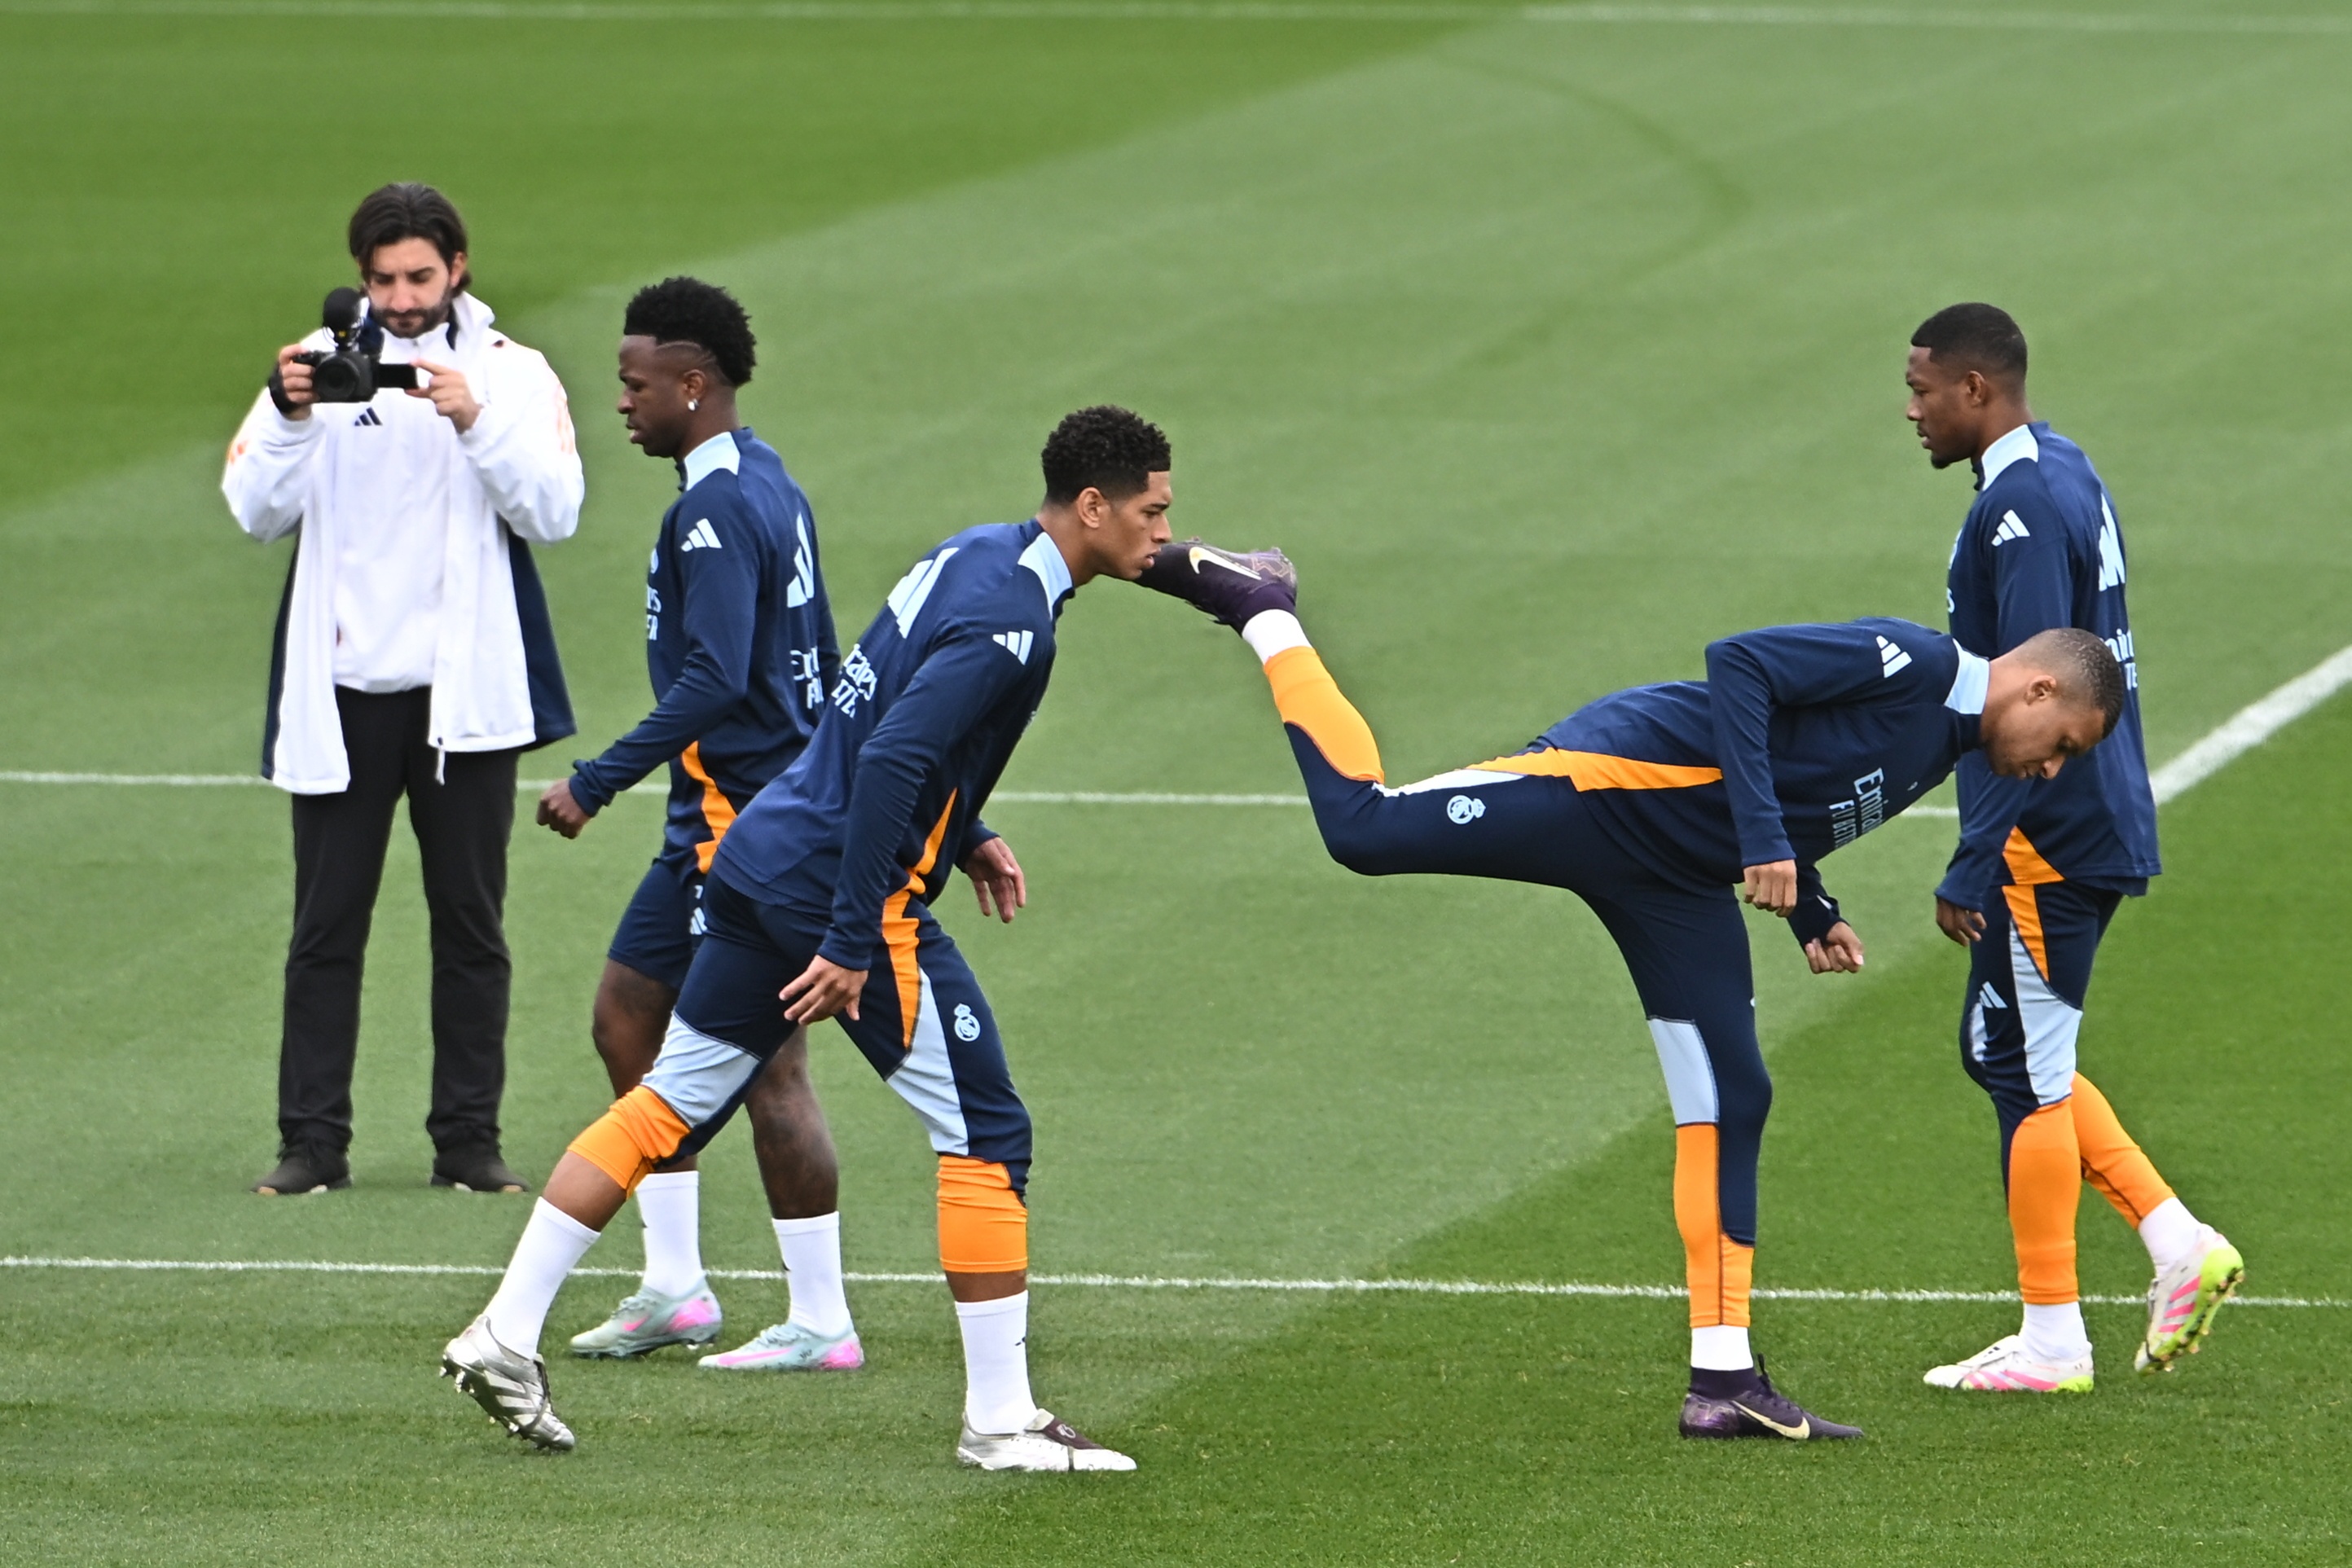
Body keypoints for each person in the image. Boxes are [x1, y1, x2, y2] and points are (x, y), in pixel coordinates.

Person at [1136, 540, 2125, 1440]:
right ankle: (1263, 606)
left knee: (1732, 1093)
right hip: (1605, 785)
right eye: (2064, 743)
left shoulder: (1943, 746)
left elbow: (1800, 789)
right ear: (2037, 686)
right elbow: (1740, 664)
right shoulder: (1916, 663)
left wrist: (1810, 907)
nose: (2049, 769)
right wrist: (1766, 843)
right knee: (1364, 828)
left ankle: (1724, 1377)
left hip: (1679, 878)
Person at [440, 405, 1173, 1468]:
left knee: (668, 1100)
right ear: (1093, 506)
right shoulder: (1012, 622)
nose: (1162, 532)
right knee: (986, 1128)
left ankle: (503, 1333)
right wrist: (849, 936)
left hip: (759, 853)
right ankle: (1001, 1419)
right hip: (836, 889)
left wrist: (967, 829)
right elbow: (891, 760)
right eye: (1152, 512)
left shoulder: (978, 553)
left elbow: (877, 713)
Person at [1902, 303, 2242, 1392]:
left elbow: (2034, 699)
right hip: (2083, 815)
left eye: (1920, 389)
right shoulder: (2060, 466)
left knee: (2022, 1067)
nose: (1910, 411)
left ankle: (2055, 1335)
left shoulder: (2020, 508)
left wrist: (1974, 853)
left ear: (1974, 388)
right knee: (2007, 1055)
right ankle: (2173, 1241)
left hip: (2048, 830)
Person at [222, 182, 583, 1197]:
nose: (403, 298)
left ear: (457, 268)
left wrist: (476, 422)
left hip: (464, 700)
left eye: (420, 276)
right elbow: (253, 508)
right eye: (383, 280)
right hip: (341, 694)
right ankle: (312, 1143)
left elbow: (555, 510)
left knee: (470, 925)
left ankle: (467, 1140)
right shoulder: (316, 364)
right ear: (362, 279)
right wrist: (290, 414)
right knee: (323, 928)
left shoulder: (513, 372)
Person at [524, 277, 850, 1364]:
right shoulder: (769, 477)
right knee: (626, 1016)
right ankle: (675, 1285)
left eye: (635, 383)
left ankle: (821, 1318)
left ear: (692, 383)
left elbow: (717, 676)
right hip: (710, 820)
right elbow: (821, 655)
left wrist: (595, 779)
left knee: (770, 1066)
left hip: (748, 828)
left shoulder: (711, 512)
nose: (621, 401)